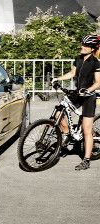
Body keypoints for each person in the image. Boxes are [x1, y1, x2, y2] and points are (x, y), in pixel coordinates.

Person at [52, 34, 100, 170]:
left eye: (86, 46)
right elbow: (72, 73)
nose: (82, 47)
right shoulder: (78, 59)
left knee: (86, 130)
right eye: (82, 44)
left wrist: (88, 90)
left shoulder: (96, 62)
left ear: (92, 49)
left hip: (88, 97)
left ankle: (86, 160)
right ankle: (67, 134)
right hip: (78, 94)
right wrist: (58, 78)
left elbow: (98, 83)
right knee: (58, 112)